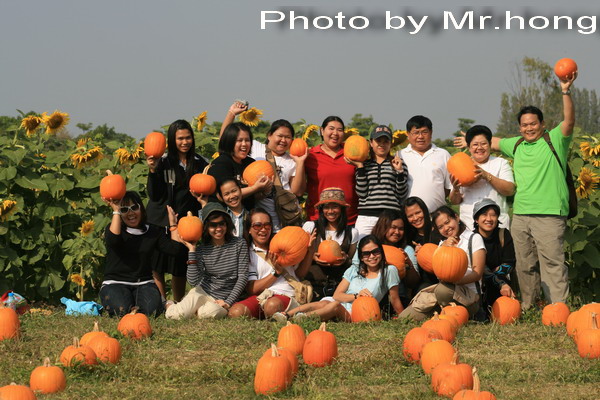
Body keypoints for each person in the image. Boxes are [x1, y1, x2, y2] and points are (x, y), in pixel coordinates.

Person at [454, 73, 577, 310]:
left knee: (552, 263)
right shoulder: (517, 144)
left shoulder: (555, 140)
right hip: (521, 214)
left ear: (542, 124)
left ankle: (558, 308)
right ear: (519, 127)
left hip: (550, 213)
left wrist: (565, 91)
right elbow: (491, 141)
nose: (529, 128)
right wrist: (471, 139)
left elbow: (569, 121)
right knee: (524, 264)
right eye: (524, 125)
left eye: (533, 124)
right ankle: (529, 306)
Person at [272, 235, 404, 322]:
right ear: (361, 257)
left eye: (375, 252)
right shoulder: (354, 270)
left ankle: (303, 319)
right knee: (324, 303)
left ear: (381, 252)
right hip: (341, 304)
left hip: (357, 315)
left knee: (334, 305)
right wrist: (356, 296)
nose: (372, 256)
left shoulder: (389, 271)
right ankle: (287, 315)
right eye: (366, 254)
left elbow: (394, 298)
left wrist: (403, 318)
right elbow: (337, 295)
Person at [146, 119, 209, 303]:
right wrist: (152, 169)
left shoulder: (199, 163)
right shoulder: (163, 162)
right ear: (172, 140)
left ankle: (179, 302)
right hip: (159, 218)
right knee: (157, 264)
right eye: (180, 138)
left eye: (188, 138)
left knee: (179, 262)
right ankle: (162, 302)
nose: (184, 142)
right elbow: (154, 195)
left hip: (185, 220)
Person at [220, 101, 307, 230]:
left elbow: (298, 191)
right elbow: (226, 140)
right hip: (258, 219)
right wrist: (231, 113)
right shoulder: (255, 148)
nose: (283, 140)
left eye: (288, 137)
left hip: (284, 218)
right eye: (280, 136)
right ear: (269, 135)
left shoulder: (292, 160)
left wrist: (300, 163)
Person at [100, 191, 184, 317]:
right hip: (115, 282)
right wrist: (116, 210)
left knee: (151, 312)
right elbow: (113, 241)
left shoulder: (152, 231)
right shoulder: (114, 229)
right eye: (124, 210)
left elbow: (175, 250)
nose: (130, 213)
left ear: (141, 208)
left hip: (143, 283)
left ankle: (161, 303)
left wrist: (173, 225)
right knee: (121, 311)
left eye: (134, 207)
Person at [399, 206, 486, 321]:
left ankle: (468, 315)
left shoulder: (474, 238)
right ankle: (440, 313)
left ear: (457, 218)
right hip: (445, 293)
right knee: (405, 317)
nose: (446, 228)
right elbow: (440, 274)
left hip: (469, 296)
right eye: (441, 227)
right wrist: (441, 250)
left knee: (442, 290)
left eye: (447, 222)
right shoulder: (441, 245)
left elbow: (478, 273)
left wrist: (454, 281)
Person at [165, 202, 249, 320]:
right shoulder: (201, 249)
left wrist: (228, 302)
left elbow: (243, 277)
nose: (218, 228)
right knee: (175, 315)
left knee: (208, 314)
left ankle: (195, 309)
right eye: (213, 225)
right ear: (206, 227)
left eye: (221, 223)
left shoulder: (239, 244)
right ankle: (170, 305)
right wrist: (192, 251)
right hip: (203, 292)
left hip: (225, 297)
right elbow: (193, 281)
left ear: (227, 223)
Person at [228, 208, 315, 319]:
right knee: (236, 312)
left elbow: (300, 273)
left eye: (267, 225)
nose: (263, 230)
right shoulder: (247, 253)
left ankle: (282, 314)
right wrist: (275, 273)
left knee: (272, 305)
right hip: (262, 296)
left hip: (286, 293)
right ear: (249, 229)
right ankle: (272, 315)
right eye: (257, 226)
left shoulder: (285, 242)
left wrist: (310, 252)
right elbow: (252, 289)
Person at [346, 125, 409, 237]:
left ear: (390, 143)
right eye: (378, 140)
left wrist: (399, 172)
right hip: (367, 216)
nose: (382, 144)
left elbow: (401, 193)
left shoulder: (398, 163)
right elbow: (361, 193)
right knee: (362, 249)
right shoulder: (363, 164)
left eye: (386, 141)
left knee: (389, 251)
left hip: (390, 216)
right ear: (371, 143)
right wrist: (360, 167)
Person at [448, 125, 515, 229]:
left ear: (490, 145)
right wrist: (456, 189)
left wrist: (486, 175)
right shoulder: (461, 164)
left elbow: (510, 190)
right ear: (469, 147)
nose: (479, 148)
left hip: (497, 225)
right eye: (475, 144)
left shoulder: (501, 163)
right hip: (469, 225)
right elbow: (455, 201)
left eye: (483, 144)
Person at [298, 116, 358, 224]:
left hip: (349, 219)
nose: (335, 133)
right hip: (318, 219)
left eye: (339, 130)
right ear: (322, 130)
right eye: (331, 128)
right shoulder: (310, 155)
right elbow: (299, 189)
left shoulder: (352, 153)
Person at [302, 187, 359, 299]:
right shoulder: (311, 227)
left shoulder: (352, 232)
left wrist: (345, 259)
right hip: (314, 285)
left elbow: (352, 261)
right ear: (321, 209)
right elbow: (299, 255)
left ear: (342, 209)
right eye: (326, 207)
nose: (330, 211)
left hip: (339, 287)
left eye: (335, 207)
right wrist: (312, 257)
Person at [209, 122, 271, 211]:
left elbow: (251, 197)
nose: (244, 144)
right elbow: (225, 195)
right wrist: (255, 188)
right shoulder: (220, 164)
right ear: (229, 142)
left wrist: (264, 191)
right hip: (225, 216)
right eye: (239, 140)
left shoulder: (251, 163)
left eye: (247, 140)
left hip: (246, 216)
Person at [397, 115, 452, 213]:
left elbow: (448, 187)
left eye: (424, 132)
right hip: (409, 216)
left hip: (436, 216)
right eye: (416, 133)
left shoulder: (443, 154)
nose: (420, 136)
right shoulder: (400, 155)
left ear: (431, 133)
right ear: (408, 134)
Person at [472, 198, 516, 318]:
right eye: (484, 215)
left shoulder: (503, 234)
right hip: (480, 285)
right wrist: (498, 279)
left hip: (500, 284)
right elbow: (480, 269)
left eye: (493, 215)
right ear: (476, 219)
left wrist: (495, 275)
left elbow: (510, 263)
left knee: (506, 311)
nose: (489, 219)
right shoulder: (472, 239)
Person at [371, 209, 420, 303]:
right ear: (383, 227)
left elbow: (413, 283)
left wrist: (408, 264)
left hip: (398, 297)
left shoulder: (407, 249)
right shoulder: (370, 246)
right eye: (393, 227)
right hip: (371, 295)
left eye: (401, 229)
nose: (397, 232)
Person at [404, 196, 441, 289]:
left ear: (425, 211)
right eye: (410, 216)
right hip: (424, 286)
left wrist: (425, 252)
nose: (415, 218)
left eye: (418, 212)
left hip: (443, 280)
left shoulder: (439, 230)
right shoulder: (409, 239)